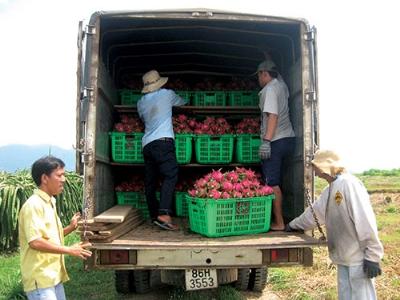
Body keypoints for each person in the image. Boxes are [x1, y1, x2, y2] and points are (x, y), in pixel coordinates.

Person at [286, 150, 384, 299]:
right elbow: (314, 214)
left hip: (359, 259)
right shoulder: (331, 188)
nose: (315, 171)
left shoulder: (349, 184)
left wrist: (373, 256)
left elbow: (365, 219)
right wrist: (293, 225)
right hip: (343, 258)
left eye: (316, 166)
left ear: (327, 165)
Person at [18, 156, 92, 300]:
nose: (64, 179)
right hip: (41, 280)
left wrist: (70, 228)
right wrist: (69, 250)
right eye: (59, 175)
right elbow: (35, 242)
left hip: (52, 277)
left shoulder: (49, 202)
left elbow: (49, 237)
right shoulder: (33, 205)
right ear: (45, 178)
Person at [137, 70, 188, 231]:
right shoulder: (167, 94)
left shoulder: (140, 102)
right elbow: (183, 102)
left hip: (147, 144)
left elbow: (143, 118)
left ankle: (154, 215)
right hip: (163, 141)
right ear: (159, 83)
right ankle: (164, 213)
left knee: (150, 181)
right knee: (170, 174)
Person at [257, 59, 295, 231]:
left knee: (272, 182)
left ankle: (279, 223)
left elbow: (272, 116)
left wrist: (266, 141)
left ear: (265, 73)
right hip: (289, 138)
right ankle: (282, 217)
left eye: (259, 75)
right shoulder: (282, 85)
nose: (258, 79)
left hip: (276, 140)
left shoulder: (270, 89)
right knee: (279, 181)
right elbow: (277, 73)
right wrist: (268, 55)